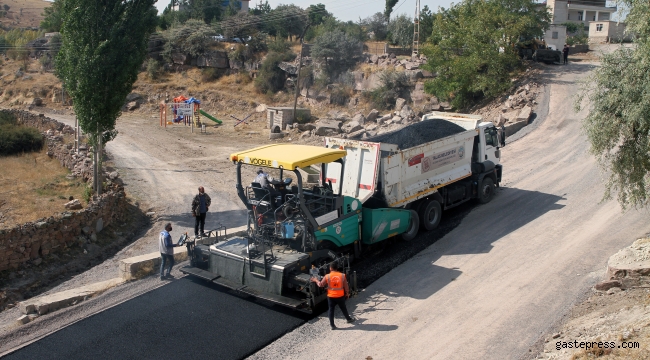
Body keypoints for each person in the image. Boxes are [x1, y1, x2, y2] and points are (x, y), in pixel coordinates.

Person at [311, 262, 355, 330]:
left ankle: (332, 325)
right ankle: (348, 319)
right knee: (343, 308)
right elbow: (346, 286)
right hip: (340, 296)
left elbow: (320, 285)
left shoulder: (327, 276)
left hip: (331, 297)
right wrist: (347, 294)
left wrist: (316, 280)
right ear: (337, 268)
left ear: (330, 268)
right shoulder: (342, 275)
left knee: (331, 310)